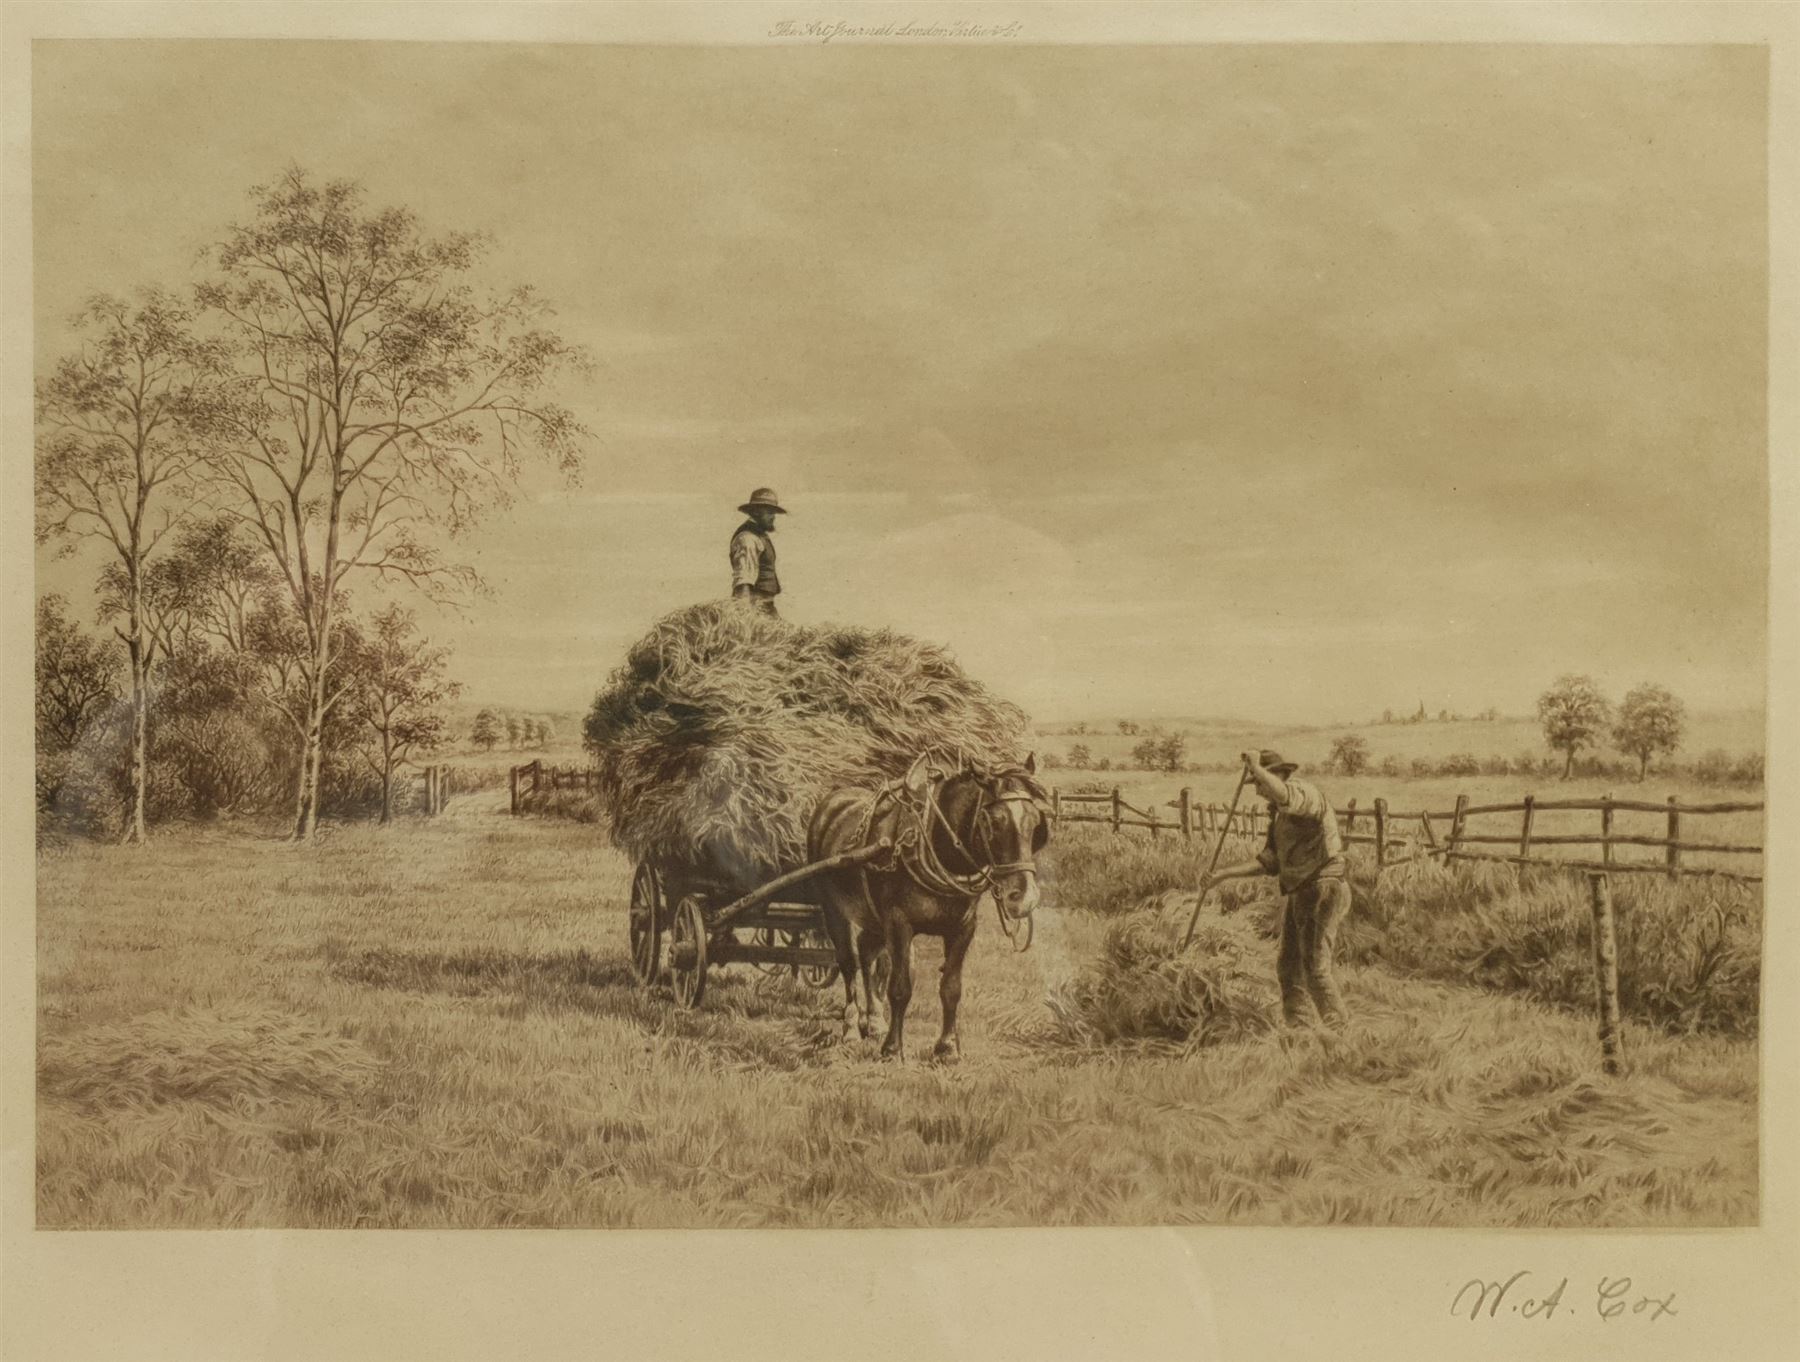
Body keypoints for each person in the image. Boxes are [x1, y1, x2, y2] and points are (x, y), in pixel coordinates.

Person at [1200, 749, 1351, 1029]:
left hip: (1323, 888)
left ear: (1277, 775)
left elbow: (1283, 794)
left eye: (1259, 783)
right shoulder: (1278, 818)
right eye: (1256, 783)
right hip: (1303, 892)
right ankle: (1300, 1032)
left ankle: (1341, 1035)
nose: (1257, 791)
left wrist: (1256, 767)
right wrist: (1222, 875)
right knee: (1289, 967)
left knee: (1315, 968)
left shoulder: (1303, 794)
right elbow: (1270, 862)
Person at [729, 488, 786, 615]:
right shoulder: (748, 538)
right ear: (755, 511)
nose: (773, 517)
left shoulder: (760, 536)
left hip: (766, 608)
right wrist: (745, 618)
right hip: (755, 609)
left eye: (774, 512)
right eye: (769, 512)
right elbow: (743, 580)